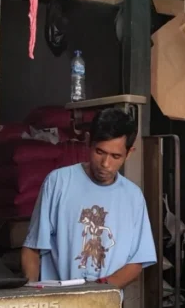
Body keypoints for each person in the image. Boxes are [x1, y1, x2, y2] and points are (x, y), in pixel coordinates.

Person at [21, 109, 156, 288]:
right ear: (88, 142)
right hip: (58, 303)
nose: (105, 164)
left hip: (104, 306)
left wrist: (100, 291)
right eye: (100, 152)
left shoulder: (133, 197)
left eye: (116, 156)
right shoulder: (58, 182)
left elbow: (137, 261)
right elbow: (32, 248)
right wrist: (31, 293)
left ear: (129, 153)